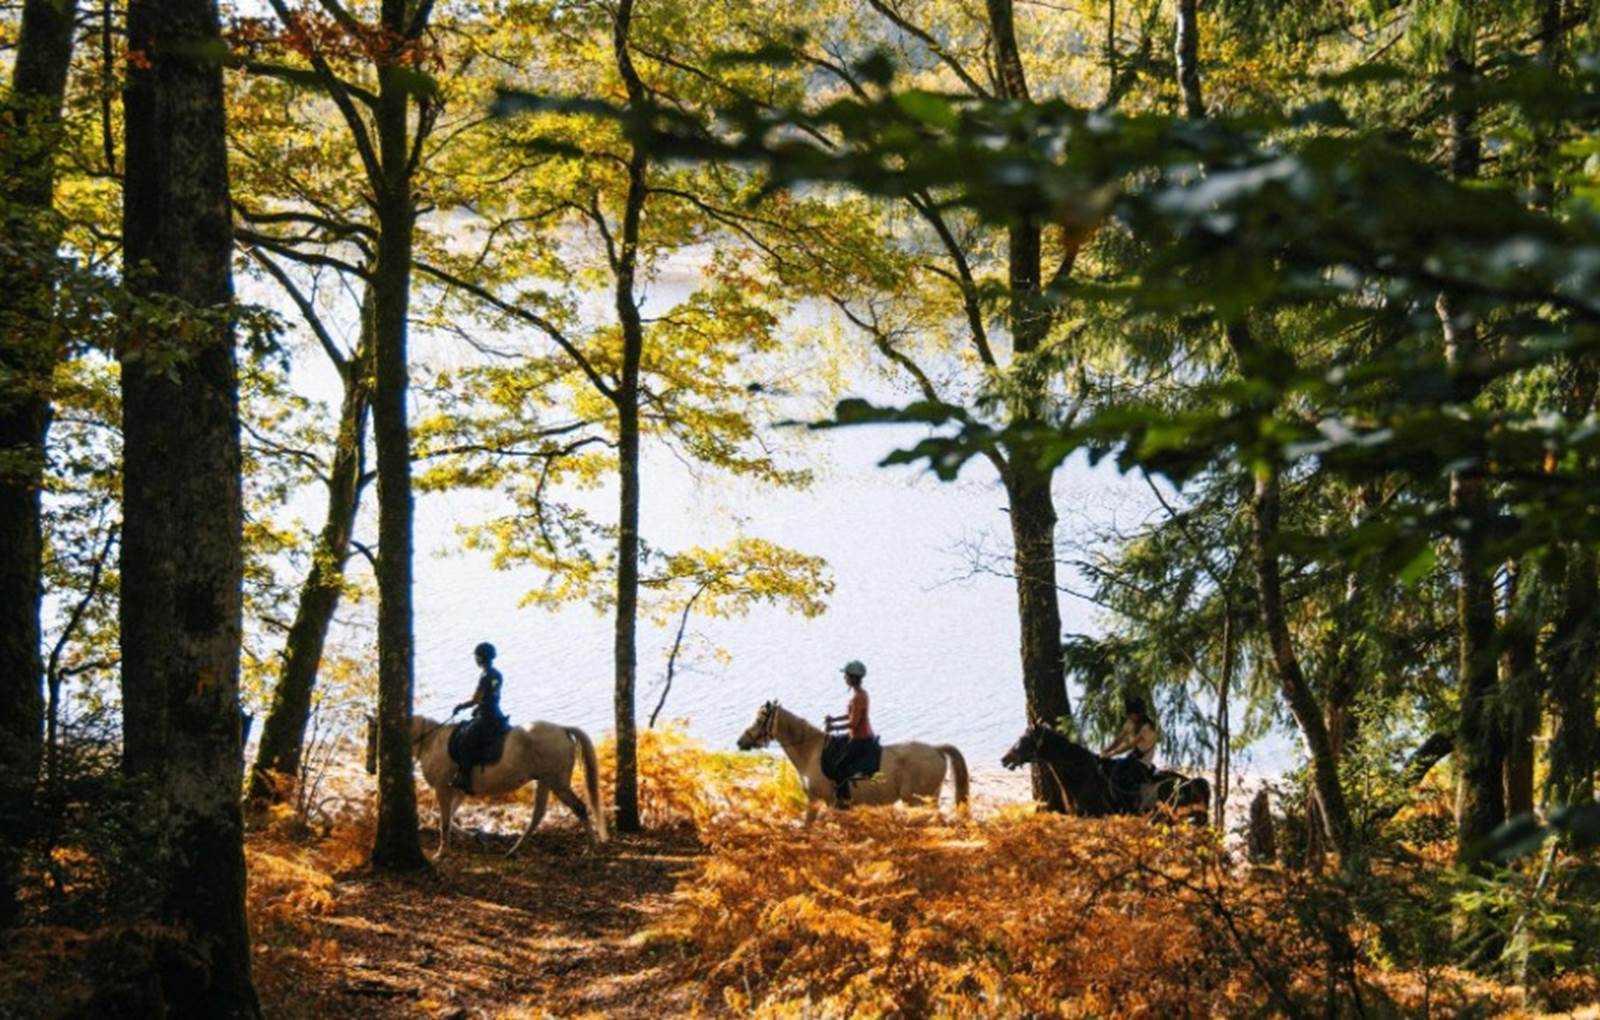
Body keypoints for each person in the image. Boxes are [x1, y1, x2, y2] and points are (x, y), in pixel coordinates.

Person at [450, 641, 510, 794]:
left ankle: (465, 778)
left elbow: (476, 699)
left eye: (476, 657)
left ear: (481, 659)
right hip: (497, 713)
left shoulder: (484, 676)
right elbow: (491, 696)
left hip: (486, 716)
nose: (475, 659)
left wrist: (461, 706)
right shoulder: (497, 674)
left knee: (465, 740)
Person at [821, 660, 881, 807]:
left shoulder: (858, 697)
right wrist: (834, 720)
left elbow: (854, 723)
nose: (845, 678)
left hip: (860, 739)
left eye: (846, 676)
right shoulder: (860, 694)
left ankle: (844, 800)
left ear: (853, 678)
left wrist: (833, 728)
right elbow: (851, 715)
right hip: (856, 735)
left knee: (839, 767)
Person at [1101, 693, 1158, 809]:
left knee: (1121, 772)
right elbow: (1119, 739)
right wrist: (1106, 750)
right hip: (1132, 758)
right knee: (1111, 766)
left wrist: (1112, 753)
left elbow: (1130, 745)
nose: (1129, 717)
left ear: (1138, 714)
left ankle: (1131, 801)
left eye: (1131, 714)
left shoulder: (1147, 728)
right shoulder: (1130, 723)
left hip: (1142, 763)